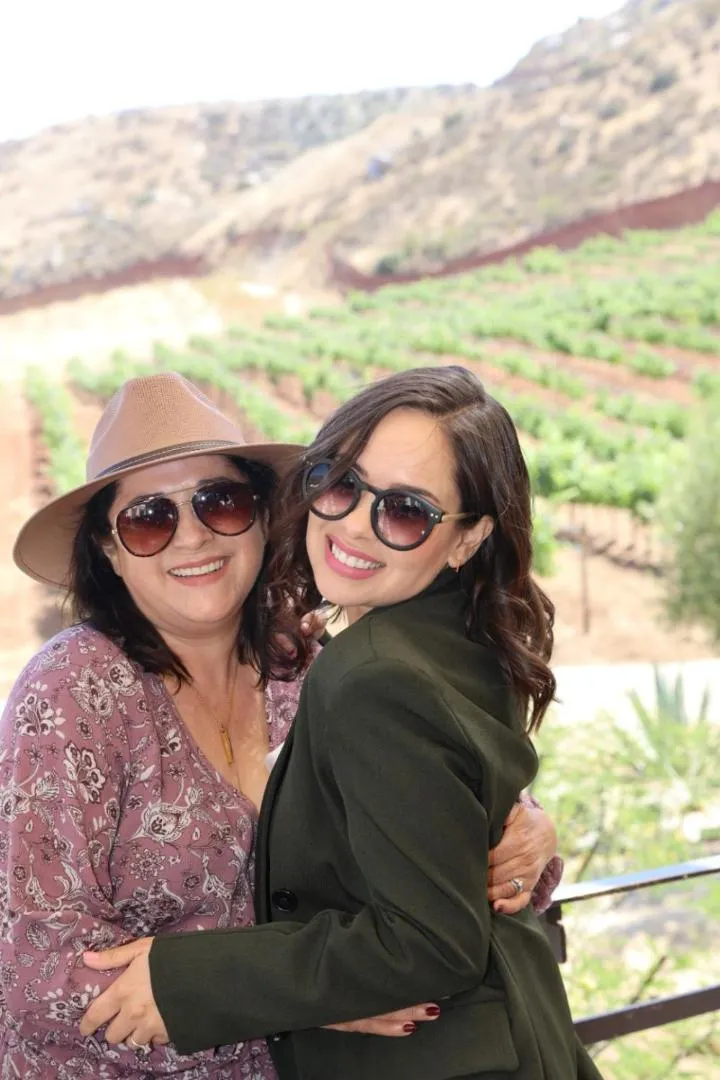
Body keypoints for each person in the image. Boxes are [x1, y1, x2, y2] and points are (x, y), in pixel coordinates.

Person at [1, 371, 560, 1079]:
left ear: (266, 516)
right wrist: (305, 999)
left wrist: (524, 829)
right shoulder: (71, 695)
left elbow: (420, 830)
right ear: (108, 551)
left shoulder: (303, 663)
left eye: (221, 502)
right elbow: (35, 974)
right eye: (149, 519)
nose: (193, 536)